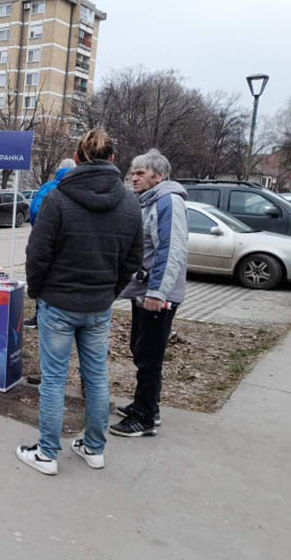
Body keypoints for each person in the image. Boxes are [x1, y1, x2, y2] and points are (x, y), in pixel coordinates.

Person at [17, 129, 143, 476]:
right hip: (97, 304)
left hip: (59, 302)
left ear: (79, 156)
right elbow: (134, 258)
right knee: (97, 376)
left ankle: (47, 453)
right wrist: (110, 290)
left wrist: (37, 291)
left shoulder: (59, 199)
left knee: (55, 379)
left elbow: (37, 254)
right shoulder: (130, 202)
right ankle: (94, 448)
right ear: (113, 159)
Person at [111, 149, 188, 437]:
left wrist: (158, 292)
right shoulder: (150, 201)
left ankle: (144, 418)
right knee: (140, 349)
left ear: (159, 175)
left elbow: (171, 249)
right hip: (144, 292)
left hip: (157, 295)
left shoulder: (168, 201)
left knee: (149, 356)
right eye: (132, 172)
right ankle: (146, 406)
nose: (133, 177)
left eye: (140, 173)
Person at [24, 158, 76, 329]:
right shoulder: (80, 187)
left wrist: (39, 231)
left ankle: (41, 315)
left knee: (44, 276)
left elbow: (34, 212)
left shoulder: (48, 188)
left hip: (46, 240)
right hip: (70, 245)